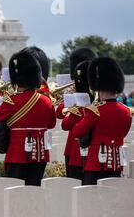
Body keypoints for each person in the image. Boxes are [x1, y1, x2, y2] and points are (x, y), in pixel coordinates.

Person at [0, 49, 56, 186]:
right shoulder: (46, 101)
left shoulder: (12, 101)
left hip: (17, 155)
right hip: (39, 155)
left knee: (15, 194)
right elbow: (51, 123)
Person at [74, 57, 133, 185]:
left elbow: (77, 132)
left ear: (99, 88)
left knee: (92, 197)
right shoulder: (127, 111)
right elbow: (123, 133)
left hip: (96, 163)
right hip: (116, 162)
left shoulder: (95, 110)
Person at [57, 47, 97, 179]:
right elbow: (59, 113)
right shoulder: (80, 101)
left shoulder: (84, 106)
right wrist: (70, 95)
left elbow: (65, 123)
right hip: (81, 151)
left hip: (79, 151)